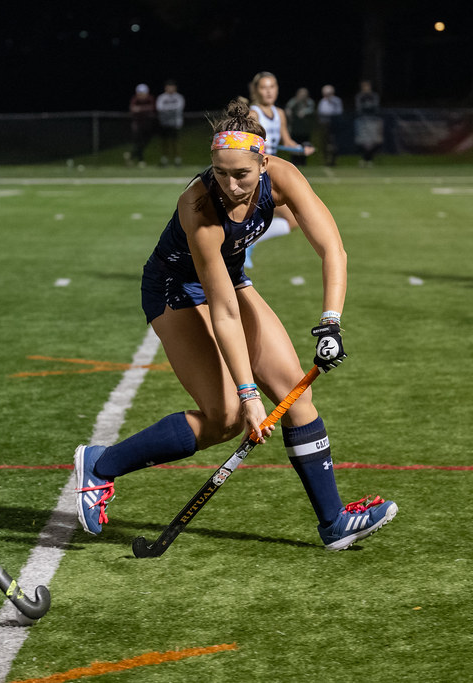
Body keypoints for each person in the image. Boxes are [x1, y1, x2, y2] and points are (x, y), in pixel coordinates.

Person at [73, 99, 397, 552]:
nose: (229, 184)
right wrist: (248, 397)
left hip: (231, 277)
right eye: (220, 172)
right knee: (224, 417)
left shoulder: (283, 177)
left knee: (293, 394)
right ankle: (101, 465)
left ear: (263, 163)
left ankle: (334, 523)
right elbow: (222, 310)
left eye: (241, 174)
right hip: (175, 288)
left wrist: (330, 323)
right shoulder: (199, 206)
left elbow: (333, 250)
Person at [244, 72, 314, 268]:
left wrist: (300, 148)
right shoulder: (254, 114)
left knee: (292, 221)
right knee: (254, 218)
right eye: (264, 87)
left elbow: (286, 140)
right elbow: (247, 144)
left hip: (272, 174)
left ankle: (247, 243)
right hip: (258, 174)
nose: (269, 91)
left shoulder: (279, 113)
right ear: (256, 90)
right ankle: (243, 245)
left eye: (272, 87)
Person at [155, 80, 186, 167]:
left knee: (175, 142)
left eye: (172, 86)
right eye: (168, 86)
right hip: (164, 123)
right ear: (165, 88)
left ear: (175, 88)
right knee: (165, 142)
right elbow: (159, 108)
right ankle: (164, 160)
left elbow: (179, 108)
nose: (170, 88)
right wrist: (172, 109)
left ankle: (177, 160)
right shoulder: (162, 97)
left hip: (176, 124)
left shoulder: (179, 97)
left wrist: (167, 109)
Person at [126, 83, 156, 168]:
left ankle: (131, 155)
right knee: (139, 142)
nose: (141, 95)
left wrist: (140, 109)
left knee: (145, 142)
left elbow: (153, 108)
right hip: (138, 124)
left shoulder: (150, 99)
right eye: (140, 93)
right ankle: (141, 160)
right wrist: (144, 109)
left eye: (143, 93)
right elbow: (132, 109)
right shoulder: (135, 99)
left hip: (148, 124)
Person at [354, 80, 383, 167]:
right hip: (362, 121)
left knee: (373, 141)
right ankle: (364, 159)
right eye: (364, 87)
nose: (366, 88)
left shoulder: (374, 96)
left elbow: (375, 107)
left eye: (367, 86)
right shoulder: (360, 96)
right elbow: (359, 108)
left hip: (373, 120)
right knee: (363, 141)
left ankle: (370, 159)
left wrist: (368, 108)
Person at [284, 87, 316, 166]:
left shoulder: (309, 102)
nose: (303, 96)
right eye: (301, 94)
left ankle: (303, 162)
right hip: (295, 129)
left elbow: (312, 110)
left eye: (304, 94)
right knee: (294, 146)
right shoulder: (293, 101)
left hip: (305, 130)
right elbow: (287, 109)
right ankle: (294, 162)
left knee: (305, 145)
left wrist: (304, 112)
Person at [317, 84, 344, 166]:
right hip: (324, 125)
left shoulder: (337, 101)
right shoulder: (322, 101)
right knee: (324, 143)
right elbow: (320, 112)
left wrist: (329, 114)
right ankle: (326, 160)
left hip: (334, 125)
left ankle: (333, 161)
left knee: (334, 143)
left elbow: (339, 112)